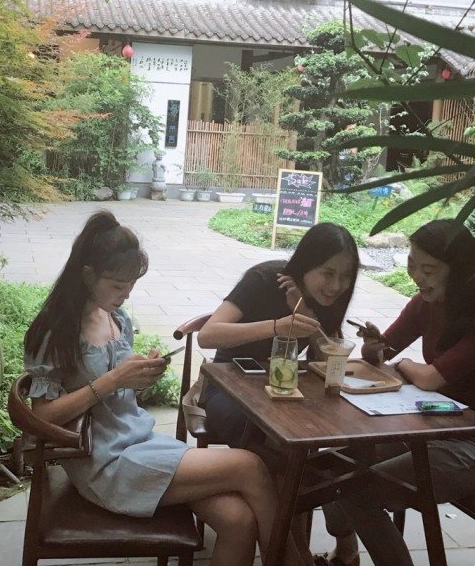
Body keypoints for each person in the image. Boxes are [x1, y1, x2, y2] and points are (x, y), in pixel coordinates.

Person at [23, 211, 310, 566]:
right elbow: (42, 416)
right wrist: (114, 380)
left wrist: (139, 377)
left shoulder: (115, 317)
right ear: (87, 275)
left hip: (141, 444)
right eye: (117, 286)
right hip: (105, 463)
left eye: (131, 286)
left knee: (239, 521)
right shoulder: (56, 330)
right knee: (251, 465)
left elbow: (120, 398)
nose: (125, 295)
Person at [318, 219, 475, 566]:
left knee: (358, 491)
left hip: (467, 442)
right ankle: (345, 553)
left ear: (460, 271)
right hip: (435, 428)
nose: (417, 276)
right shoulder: (425, 303)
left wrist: (402, 363)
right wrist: (374, 347)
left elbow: (430, 378)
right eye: (411, 265)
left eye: (428, 270)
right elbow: (381, 353)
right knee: (333, 466)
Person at [198, 222, 360, 448]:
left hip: (286, 389)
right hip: (229, 386)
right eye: (328, 273)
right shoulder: (264, 279)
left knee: (344, 424)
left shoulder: (330, 299)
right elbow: (206, 335)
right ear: (305, 264)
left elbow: (328, 360)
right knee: (264, 432)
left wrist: (306, 315)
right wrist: (277, 327)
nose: (336, 286)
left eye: (345, 276)